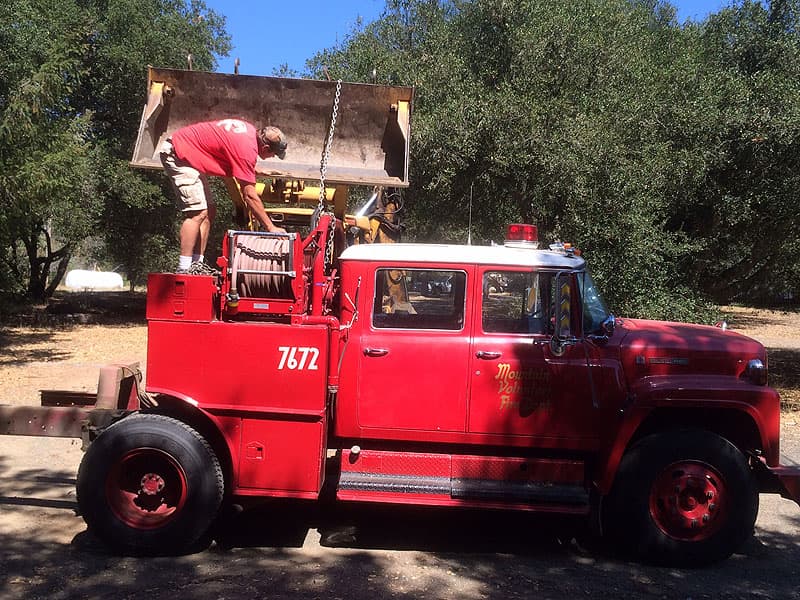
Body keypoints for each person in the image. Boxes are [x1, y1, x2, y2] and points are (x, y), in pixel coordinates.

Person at [159, 118, 288, 274]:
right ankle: (183, 268)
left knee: (209, 212)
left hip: (189, 153)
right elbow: (249, 196)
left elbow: (229, 152)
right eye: (274, 154)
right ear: (266, 147)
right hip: (177, 154)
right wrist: (270, 227)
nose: (273, 157)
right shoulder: (246, 151)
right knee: (198, 213)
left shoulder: (248, 131)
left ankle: (196, 265)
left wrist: (255, 171)